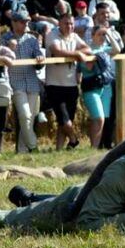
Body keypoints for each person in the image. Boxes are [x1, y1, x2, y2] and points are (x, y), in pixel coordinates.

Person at [46, 14, 93, 150]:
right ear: (59, 24)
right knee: (65, 121)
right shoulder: (52, 35)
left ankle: (59, 150)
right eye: (66, 23)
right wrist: (77, 54)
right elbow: (57, 51)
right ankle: (74, 139)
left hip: (71, 85)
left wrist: (76, 52)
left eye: (72, 24)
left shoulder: (74, 36)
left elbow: (88, 49)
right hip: (54, 84)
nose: (70, 26)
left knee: (64, 122)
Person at [3, 10, 45, 154]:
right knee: (25, 115)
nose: (26, 24)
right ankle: (33, 146)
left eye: (27, 21)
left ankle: (22, 150)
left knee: (29, 119)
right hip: (16, 82)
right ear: (13, 23)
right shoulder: (5, 38)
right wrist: (9, 49)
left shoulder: (32, 39)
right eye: (22, 21)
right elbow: (0, 56)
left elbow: (38, 55)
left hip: (32, 82)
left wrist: (40, 58)